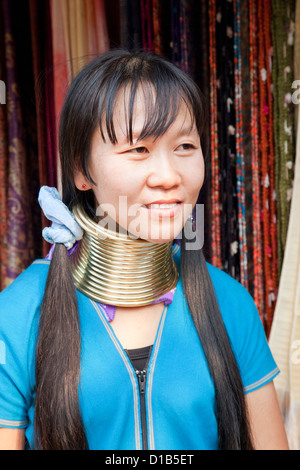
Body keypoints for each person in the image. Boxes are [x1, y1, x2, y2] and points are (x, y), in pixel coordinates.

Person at [0, 50, 289, 451]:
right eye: (138, 150)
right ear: (82, 170)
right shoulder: (17, 315)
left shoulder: (230, 304)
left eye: (186, 146)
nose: (170, 176)